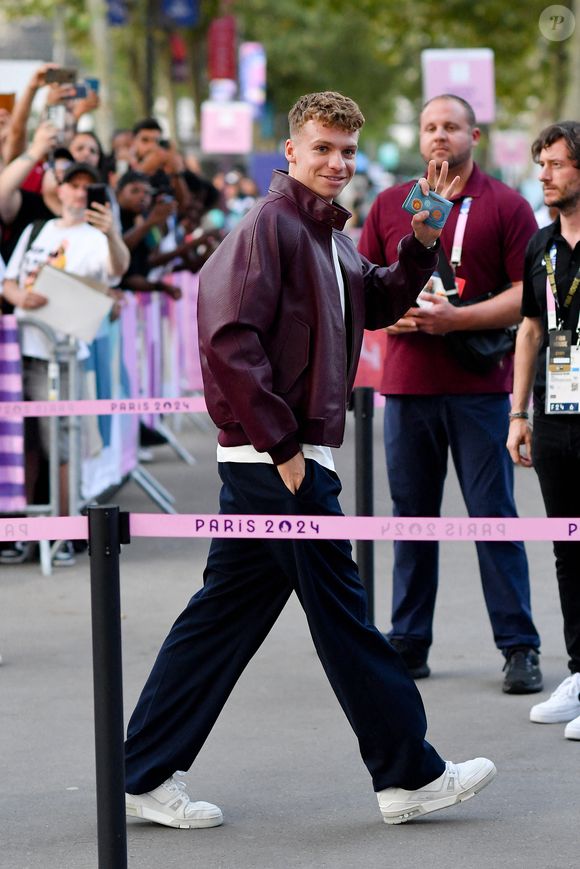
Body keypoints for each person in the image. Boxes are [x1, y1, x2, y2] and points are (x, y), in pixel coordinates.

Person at [124, 91, 496, 830]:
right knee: (346, 617)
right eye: (323, 148)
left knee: (222, 618)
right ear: (289, 152)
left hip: (280, 457)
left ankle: (142, 769)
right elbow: (229, 340)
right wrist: (285, 448)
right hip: (281, 461)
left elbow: (380, 301)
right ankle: (409, 773)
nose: (337, 162)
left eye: (347, 151)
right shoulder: (271, 226)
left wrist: (420, 240)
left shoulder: (325, 233)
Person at [358, 94, 542, 693]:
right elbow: (361, 292)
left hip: (481, 389)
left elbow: (527, 294)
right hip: (408, 386)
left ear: (475, 135)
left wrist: (456, 320)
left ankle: (519, 646)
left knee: (494, 517)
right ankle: (409, 640)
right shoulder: (390, 204)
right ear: (419, 135)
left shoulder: (507, 206)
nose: (441, 136)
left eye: (452, 127)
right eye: (431, 127)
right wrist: (397, 319)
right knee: (411, 517)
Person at [2, 162, 130, 562]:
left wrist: (111, 232)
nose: (76, 193)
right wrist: (19, 297)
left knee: (60, 444)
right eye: (70, 185)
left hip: (63, 357)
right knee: (21, 444)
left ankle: (61, 531)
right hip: (18, 350)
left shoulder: (95, 238)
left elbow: (117, 270)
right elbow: (8, 280)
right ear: (57, 189)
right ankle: (21, 527)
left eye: (84, 187)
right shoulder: (36, 230)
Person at [507, 121, 580, 741]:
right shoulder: (541, 246)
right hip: (557, 413)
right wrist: (518, 413)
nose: (545, 174)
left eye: (557, 163)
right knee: (567, 549)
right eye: (542, 164)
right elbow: (531, 330)